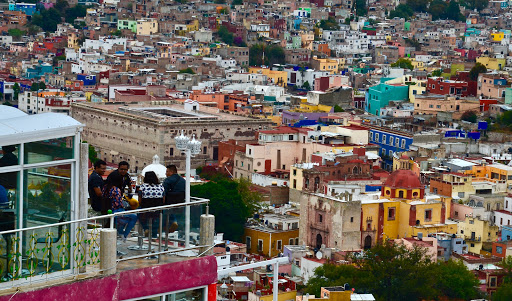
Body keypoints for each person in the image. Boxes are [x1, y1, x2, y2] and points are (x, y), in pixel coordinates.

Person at [103, 172, 137, 242]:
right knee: (134, 216)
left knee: (123, 217)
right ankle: (124, 235)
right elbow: (118, 204)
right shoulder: (116, 190)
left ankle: (120, 234)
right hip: (115, 211)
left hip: (107, 211)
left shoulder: (105, 188)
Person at [138, 171, 165, 238]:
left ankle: (146, 228)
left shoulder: (142, 187)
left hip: (146, 209)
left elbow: (140, 200)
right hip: (158, 210)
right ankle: (154, 236)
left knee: (138, 212)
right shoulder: (161, 187)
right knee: (155, 221)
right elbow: (163, 199)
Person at [162, 165, 185, 233]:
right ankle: (174, 222)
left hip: (170, 201)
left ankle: (166, 225)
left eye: (167, 171)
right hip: (181, 201)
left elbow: (163, 192)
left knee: (165, 210)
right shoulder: (183, 180)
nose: (166, 173)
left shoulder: (168, 180)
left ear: (171, 172)